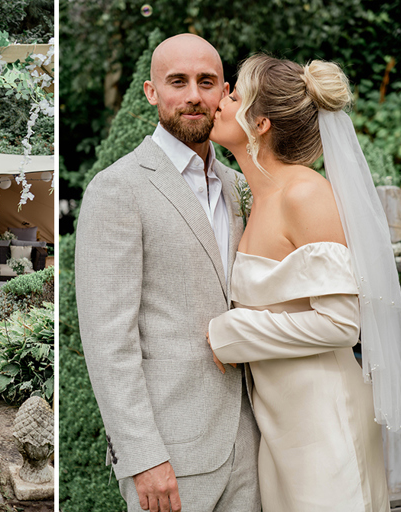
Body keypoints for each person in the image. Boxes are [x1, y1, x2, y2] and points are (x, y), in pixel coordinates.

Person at [75, 34, 261, 512]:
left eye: (207, 82)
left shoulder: (239, 185)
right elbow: (108, 341)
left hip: (257, 444)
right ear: (151, 92)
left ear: (225, 92)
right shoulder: (117, 189)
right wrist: (142, 457)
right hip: (172, 456)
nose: (194, 95)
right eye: (177, 81)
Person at [207, 54, 396, 511]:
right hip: (281, 426)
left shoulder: (305, 193)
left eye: (233, 94)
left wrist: (230, 332)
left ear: (262, 122)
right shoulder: (257, 197)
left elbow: (341, 324)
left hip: (325, 418)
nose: (219, 98)